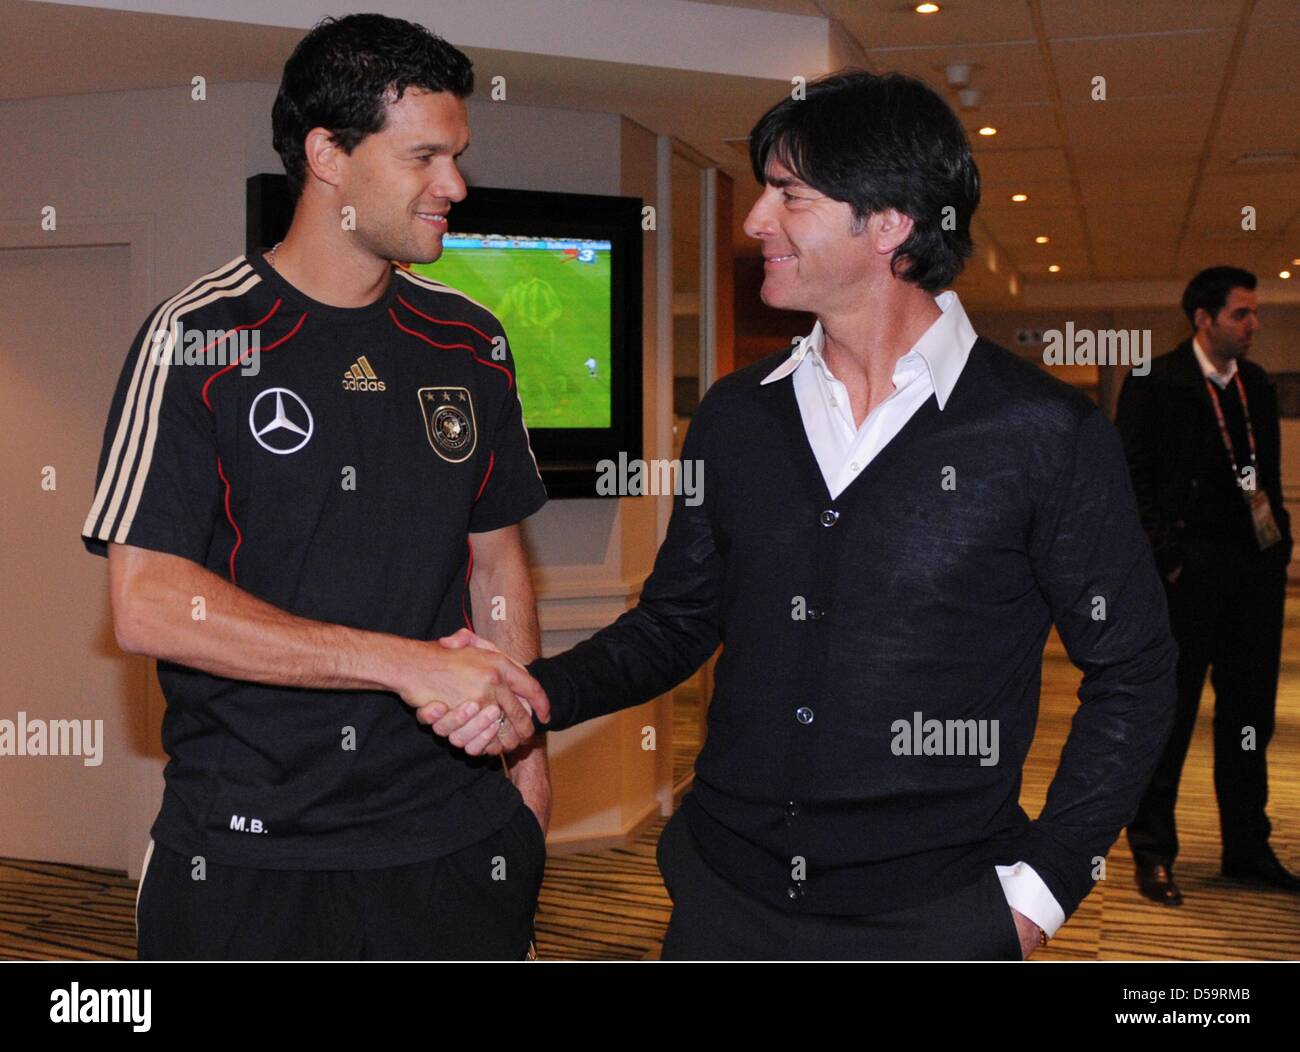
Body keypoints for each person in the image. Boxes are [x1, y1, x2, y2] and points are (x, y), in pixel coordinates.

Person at [426, 70, 1178, 960]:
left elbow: (1133, 670)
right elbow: (677, 622)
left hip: (934, 914)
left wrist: (1043, 890)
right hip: (724, 897)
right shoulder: (739, 415)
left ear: (891, 222)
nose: (755, 221)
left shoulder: (1045, 433)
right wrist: (540, 689)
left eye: (790, 195)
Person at [81, 13, 551, 960]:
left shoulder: (470, 340)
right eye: (423, 157)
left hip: (453, 841)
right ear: (327, 154)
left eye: (456, 156)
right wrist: (403, 661)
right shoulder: (200, 339)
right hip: (251, 856)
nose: (453, 186)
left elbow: (497, 567)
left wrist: (527, 775)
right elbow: (150, 606)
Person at [1118, 266, 1298, 905]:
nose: (1253, 326)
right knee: (1171, 715)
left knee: (1249, 719)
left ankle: (1247, 846)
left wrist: (1279, 552)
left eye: (1254, 314)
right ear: (1203, 319)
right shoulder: (1154, 380)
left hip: (1254, 576)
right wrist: (1169, 558)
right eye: (1240, 314)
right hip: (1186, 578)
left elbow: (1266, 480)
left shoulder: (1255, 384)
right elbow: (1131, 482)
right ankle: (1154, 850)